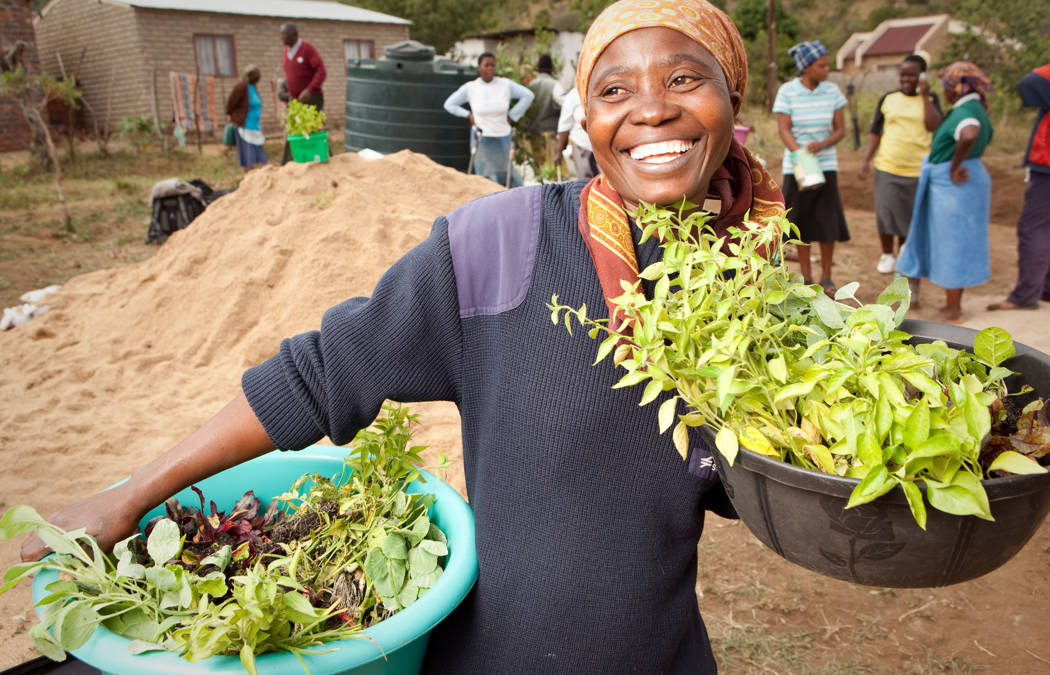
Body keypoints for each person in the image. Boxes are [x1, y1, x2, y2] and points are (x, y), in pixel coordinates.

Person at [21, 1, 785, 671]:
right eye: (614, 90)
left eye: (685, 79)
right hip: (497, 657)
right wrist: (134, 493)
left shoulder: (754, 286)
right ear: (585, 119)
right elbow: (319, 373)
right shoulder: (501, 245)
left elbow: (745, 490)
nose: (651, 110)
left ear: (732, 95)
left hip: (661, 655)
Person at [895, 62, 994, 323]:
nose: (946, 92)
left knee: (953, 245)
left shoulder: (967, 112)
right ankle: (952, 303)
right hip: (960, 184)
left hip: (955, 186)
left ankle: (953, 309)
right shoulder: (972, 107)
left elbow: (969, 135)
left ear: (959, 88)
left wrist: (954, 166)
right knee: (955, 242)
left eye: (948, 87)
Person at [773, 40, 850, 295]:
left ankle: (827, 276)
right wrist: (800, 156)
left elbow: (840, 130)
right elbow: (784, 129)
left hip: (825, 165)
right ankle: (806, 278)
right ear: (806, 68)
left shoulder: (833, 92)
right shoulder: (787, 91)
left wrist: (823, 144)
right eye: (822, 65)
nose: (827, 69)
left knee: (827, 222)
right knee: (802, 223)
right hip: (796, 166)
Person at [858, 54, 943, 279]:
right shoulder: (888, 98)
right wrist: (866, 160)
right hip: (888, 166)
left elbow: (934, 125)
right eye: (903, 74)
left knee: (909, 215)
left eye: (912, 75)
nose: (906, 79)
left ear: (922, 76)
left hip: (917, 169)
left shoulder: (931, 99)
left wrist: (924, 96)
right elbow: (875, 132)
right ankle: (887, 254)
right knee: (886, 212)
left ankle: (904, 251)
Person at [986, 64, 1050, 312]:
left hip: (1047, 170)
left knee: (1033, 230)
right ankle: (1044, 288)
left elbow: (1030, 81)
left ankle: (1025, 295)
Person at [443, 52, 534, 187]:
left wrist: (512, 116)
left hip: (502, 135)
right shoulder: (471, 87)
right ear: (479, 68)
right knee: (485, 177)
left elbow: (528, 96)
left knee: (507, 173)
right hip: (482, 137)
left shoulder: (505, 85)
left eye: (492, 65)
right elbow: (449, 104)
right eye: (486, 65)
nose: (490, 68)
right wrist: (468, 115)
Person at [279, 23, 326, 165]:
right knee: (293, 131)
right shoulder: (286, 51)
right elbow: (292, 75)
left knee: (313, 131)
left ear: (294, 35)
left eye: (284, 34)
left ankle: (320, 160)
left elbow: (321, 71)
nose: (281, 37)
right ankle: (290, 164)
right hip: (295, 101)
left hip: (312, 98)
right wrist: (286, 90)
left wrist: (309, 89)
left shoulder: (307, 49)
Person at [525, 54, 566, 169]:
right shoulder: (554, 85)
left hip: (534, 133)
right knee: (553, 169)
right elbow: (564, 102)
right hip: (550, 132)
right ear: (551, 69)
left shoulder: (530, 86)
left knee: (539, 168)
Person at [224, 65, 268, 172]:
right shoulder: (241, 87)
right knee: (248, 158)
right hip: (245, 126)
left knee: (259, 158)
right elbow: (231, 104)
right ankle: (249, 179)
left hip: (255, 126)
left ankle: (259, 178)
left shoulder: (253, 87)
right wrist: (235, 118)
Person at [555, 86, 596, 180]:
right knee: (585, 181)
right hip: (582, 146)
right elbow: (564, 126)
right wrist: (558, 152)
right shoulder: (573, 96)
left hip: (604, 145)